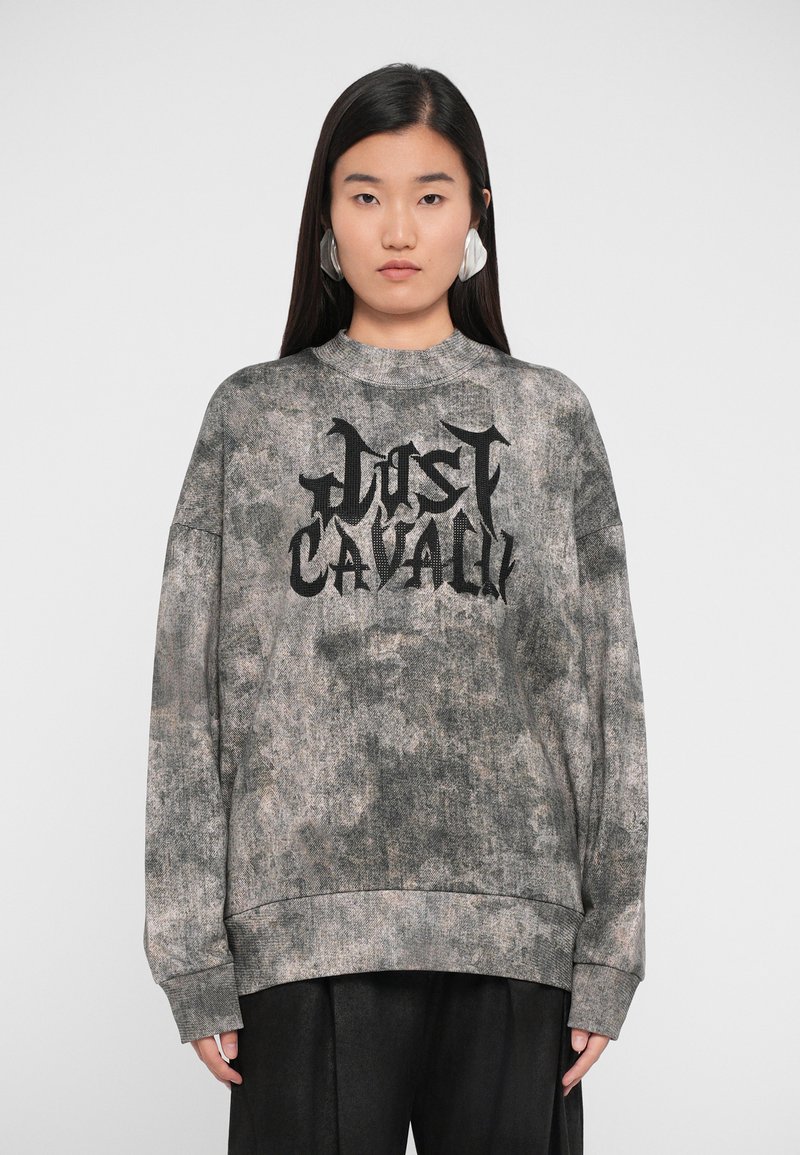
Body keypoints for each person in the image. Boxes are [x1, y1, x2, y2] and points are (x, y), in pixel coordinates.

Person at [143, 62, 649, 1155]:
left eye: (431, 194)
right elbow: (187, 701)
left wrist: (610, 947)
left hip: (515, 935)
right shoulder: (252, 419)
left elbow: (604, 693)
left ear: (477, 214)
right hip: (301, 935)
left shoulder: (547, 418)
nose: (399, 228)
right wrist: (191, 952)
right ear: (325, 217)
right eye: (365, 194)